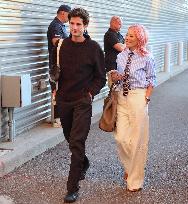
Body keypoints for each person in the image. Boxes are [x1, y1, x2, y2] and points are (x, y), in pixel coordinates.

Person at [51, 8, 106, 203]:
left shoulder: (94, 48)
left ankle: (72, 188)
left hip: (82, 101)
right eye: (72, 24)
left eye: (78, 25)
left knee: (77, 142)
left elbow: (101, 77)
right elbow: (55, 68)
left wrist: (90, 93)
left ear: (85, 26)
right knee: (69, 138)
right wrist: (54, 88)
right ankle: (84, 162)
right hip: (64, 100)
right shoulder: (62, 45)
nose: (74, 28)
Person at [110, 24, 156, 192]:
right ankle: (130, 167)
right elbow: (118, 77)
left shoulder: (147, 57)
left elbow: (152, 79)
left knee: (138, 140)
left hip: (138, 97)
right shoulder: (121, 56)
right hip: (122, 96)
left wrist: (146, 98)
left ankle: (135, 181)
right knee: (121, 138)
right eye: (127, 35)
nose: (127, 38)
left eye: (131, 36)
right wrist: (115, 76)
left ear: (140, 39)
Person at [47, 4, 71, 127]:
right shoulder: (55, 25)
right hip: (56, 65)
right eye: (69, 14)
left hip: (61, 63)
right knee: (56, 90)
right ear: (62, 13)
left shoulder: (61, 26)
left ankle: (60, 116)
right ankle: (56, 119)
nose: (70, 17)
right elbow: (56, 42)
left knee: (60, 90)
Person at [104, 16, 126, 86]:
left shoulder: (119, 34)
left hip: (119, 65)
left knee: (119, 88)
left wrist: (125, 45)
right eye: (119, 24)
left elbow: (126, 45)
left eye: (121, 24)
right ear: (112, 23)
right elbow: (120, 48)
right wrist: (126, 45)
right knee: (113, 87)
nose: (121, 26)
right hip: (112, 66)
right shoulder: (110, 34)